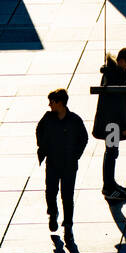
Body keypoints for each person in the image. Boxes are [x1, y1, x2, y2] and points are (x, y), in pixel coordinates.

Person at [36, 89, 88, 243]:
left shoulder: (75, 120)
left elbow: (83, 139)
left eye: (51, 102)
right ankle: (53, 213)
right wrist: (43, 146)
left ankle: (68, 227)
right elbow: (38, 131)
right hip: (52, 162)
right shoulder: (47, 118)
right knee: (50, 192)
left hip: (69, 166)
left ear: (59, 102)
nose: (49, 104)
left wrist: (75, 156)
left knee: (67, 196)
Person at [93, 47, 126, 201]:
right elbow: (119, 105)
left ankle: (111, 184)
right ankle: (109, 187)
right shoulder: (116, 77)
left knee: (111, 153)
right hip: (112, 124)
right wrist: (125, 126)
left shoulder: (113, 74)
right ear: (121, 60)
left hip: (110, 123)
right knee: (111, 153)